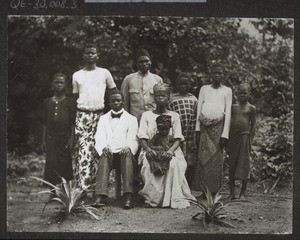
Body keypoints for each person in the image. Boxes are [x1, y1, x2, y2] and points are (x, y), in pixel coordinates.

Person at [138, 83, 196, 209]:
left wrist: (170, 151)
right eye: (158, 96)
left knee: (174, 163)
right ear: (154, 98)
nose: (160, 99)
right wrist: (148, 149)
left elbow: (178, 138)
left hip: (171, 148)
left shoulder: (174, 116)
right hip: (151, 148)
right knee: (148, 164)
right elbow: (142, 137)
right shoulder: (146, 115)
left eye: (163, 96)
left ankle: (170, 197)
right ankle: (152, 198)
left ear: (168, 97)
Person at [72, 43, 116, 190]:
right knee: (84, 151)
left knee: (99, 150)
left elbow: (113, 93)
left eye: (92, 53)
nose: (90, 55)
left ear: (98, 55)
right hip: (83, 115)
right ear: (83, 56)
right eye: (87, 53)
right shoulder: (77, 75)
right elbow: (74, 98)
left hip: (100, 115)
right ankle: (83, 189)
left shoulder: (104, 73)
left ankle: (99, 190)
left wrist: (111, 115)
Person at [93, 90, 139, 209]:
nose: (116, 103)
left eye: (118, 100)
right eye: (113, 101)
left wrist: (128, 147)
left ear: (123, 102)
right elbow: (99, 136)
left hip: (123, 153)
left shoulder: (131, 119)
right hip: (110, 153)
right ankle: (100, 195)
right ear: (109, 103)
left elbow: (134, 138)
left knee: (127, 157)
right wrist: (103, 147)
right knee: (104, 157)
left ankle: (128, 196)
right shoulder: (103, 118)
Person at [193, 62, 232, 196]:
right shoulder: (204, 89)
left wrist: (225, 135)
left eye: (219, 73)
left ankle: (214, 191)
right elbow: (199, 110)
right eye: (214, 73)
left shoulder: (227, 91)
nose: (217, 75)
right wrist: (197, 130)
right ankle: (204, 191)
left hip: (218, 128)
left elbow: (228, 114)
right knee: (203, 158)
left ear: (223, 75)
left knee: (216, 159)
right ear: (210, 74)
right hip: (204, 127)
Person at [42, 73, 75, 188]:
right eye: (56, 82)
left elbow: (72, 123)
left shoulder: (69, 102)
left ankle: (64, 190)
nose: (59, 84)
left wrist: (72, 139)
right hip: (51, 137)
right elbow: (45, 123)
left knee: (64, 163)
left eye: (61, 82)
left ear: (66, 85)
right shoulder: (47, 101)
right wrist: (44, 140)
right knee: (51, 163)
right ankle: (52, 190)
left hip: (64, 137)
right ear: (53, 84)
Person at [168, 72, 198, 187]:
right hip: (177, 135)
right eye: (181, 84)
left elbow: (196, 117)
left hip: (190, 134)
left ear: (190, 85)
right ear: (177, 85)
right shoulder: (171, 99)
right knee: (177, 161)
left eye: (186, 84)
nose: (183, 86)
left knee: (190, 162)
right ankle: (176, 186)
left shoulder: (194, 99)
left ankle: (188, 186)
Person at [228, 83, 256, 201]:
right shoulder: (233, 107)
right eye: (240, 93)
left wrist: (250, 139)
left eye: (245, 93)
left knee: (244, 164)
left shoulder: (251, 108)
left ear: (249, 94)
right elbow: (229, 123)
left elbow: (253, 125)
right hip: (233, 137)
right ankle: (232, 193)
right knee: (232, 163)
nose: (242, 95)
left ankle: (243, 193)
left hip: (245, 137)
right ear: (236, 94)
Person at [120, 48, 163, 122]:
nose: (144, 64)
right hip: (135, 121)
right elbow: (124, 103)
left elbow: (162, 102)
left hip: (153, 120)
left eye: (146, 61)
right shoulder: (129, 79)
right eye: (141, 62)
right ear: (137, 64)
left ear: (151, 62)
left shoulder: (157, 79)